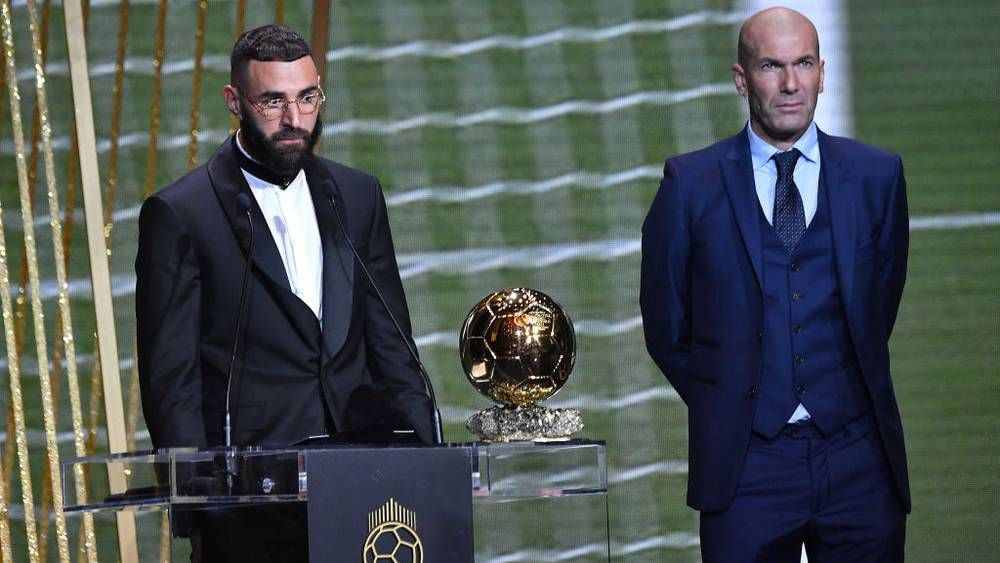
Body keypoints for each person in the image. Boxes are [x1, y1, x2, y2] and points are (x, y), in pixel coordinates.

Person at [135, 24, 435, 561]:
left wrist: (433, 469)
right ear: (235, 101)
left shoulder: (357, 195)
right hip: (249, 504)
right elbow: (171, 382)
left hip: (366, 487)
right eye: (273, 101)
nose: (295, 119)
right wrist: (198, 510)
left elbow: (394, 348)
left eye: (307, 98)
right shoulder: (182, 214)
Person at [640, 7, 909, 562]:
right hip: (746, 469)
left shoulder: (877, 177)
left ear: (822, 74)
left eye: (803, 64)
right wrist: (732, 401)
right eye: (771, 66)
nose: (790, 84)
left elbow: (878, 309)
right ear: (741, 79)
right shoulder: (689, 185)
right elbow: (667, 329)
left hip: (859, 464)